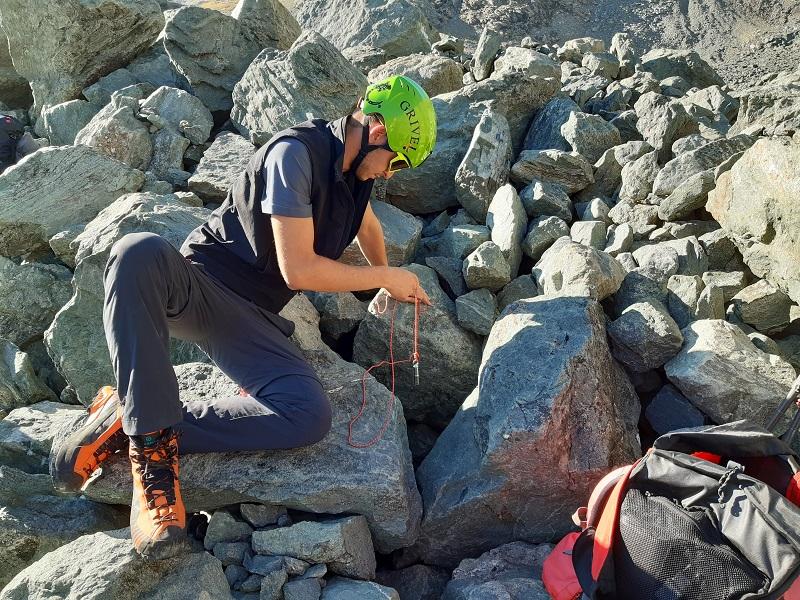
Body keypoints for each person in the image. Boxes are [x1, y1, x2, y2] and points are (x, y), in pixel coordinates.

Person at [50, 75, 437, 560]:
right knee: (136, 252)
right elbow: (299, 270)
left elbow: (367, 222)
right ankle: (154, 462)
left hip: (252, 316)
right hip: (201, 289)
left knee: (308, 415)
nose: (390, 174)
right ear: (377, 132)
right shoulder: (295, 156)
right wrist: (388, 275)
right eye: (396, 161)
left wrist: (384, 278)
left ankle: (132, 416)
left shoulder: (354, 175)